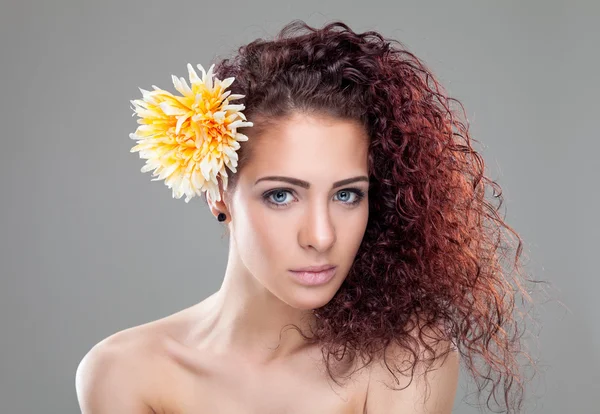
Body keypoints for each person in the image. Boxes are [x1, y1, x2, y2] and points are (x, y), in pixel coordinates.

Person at [75, 20, 542, 413]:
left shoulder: (405, 361)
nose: (321, 236)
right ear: (219, 192)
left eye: (347, 196)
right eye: (281, 195)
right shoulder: (126, 372)